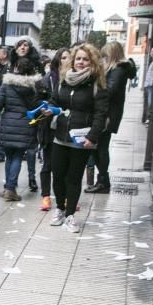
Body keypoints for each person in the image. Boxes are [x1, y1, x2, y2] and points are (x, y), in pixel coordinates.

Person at [45, 43, 109, 233]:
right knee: (57, 175)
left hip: (81, 139)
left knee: (73, 178)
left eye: (85, 59)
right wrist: (49, 108)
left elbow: (101, 114)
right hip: (60, 135)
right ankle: (60, 209)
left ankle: (71, 214)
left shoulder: (97, 84)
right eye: (78, 58)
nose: (81, 62)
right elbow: (55, 100)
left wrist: (92, 136)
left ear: (92, 62)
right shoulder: (64, 80)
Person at [86, 41, 137, 194]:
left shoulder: (118, 70)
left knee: (100, 148)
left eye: (105, 56)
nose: (103, 59)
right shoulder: (117, 70)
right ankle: (103, 180)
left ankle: (103, 182)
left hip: (108, 115)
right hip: (108, 113)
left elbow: (109, 91)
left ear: (112, 55)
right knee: (98, 148)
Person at [0, 57, 41, 202]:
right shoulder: (34, 87)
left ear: (15, 69)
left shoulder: (6, 84)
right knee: (18, 157)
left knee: (9, 156)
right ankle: (10, 188)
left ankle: (10, 187)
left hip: (8, 124)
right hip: (25, 125)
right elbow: (35, 107)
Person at [36, 47, 70, 211]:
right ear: (57, 60)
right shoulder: (49, 79)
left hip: (67, 125)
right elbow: (40, 100)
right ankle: (46, 196)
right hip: (49, 126)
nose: (67, 61)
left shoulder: (74, 79)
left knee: (65, 166)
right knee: (48, 163)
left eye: (69, 58)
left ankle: (64, 198)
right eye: (63, 58)